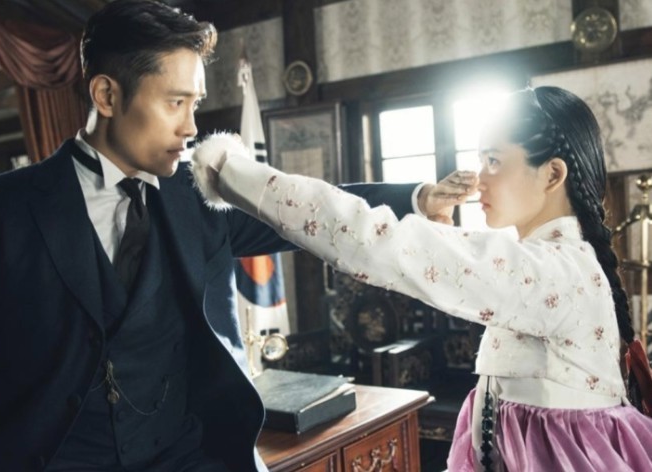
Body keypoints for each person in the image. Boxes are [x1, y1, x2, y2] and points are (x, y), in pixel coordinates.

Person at [0, 1, 471, 470]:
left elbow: (307, 210)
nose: (190, 128)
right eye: (174, 102)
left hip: (187, 457)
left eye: (195, 104)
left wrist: (415, 198)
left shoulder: (200, 193)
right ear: (107, 95)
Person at [191, 86, 652, 471]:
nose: (480, 179)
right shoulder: (552, 261)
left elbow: (374, 241)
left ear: (552, 174)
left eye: (494, 161)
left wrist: (231, 170)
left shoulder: (550, 271)